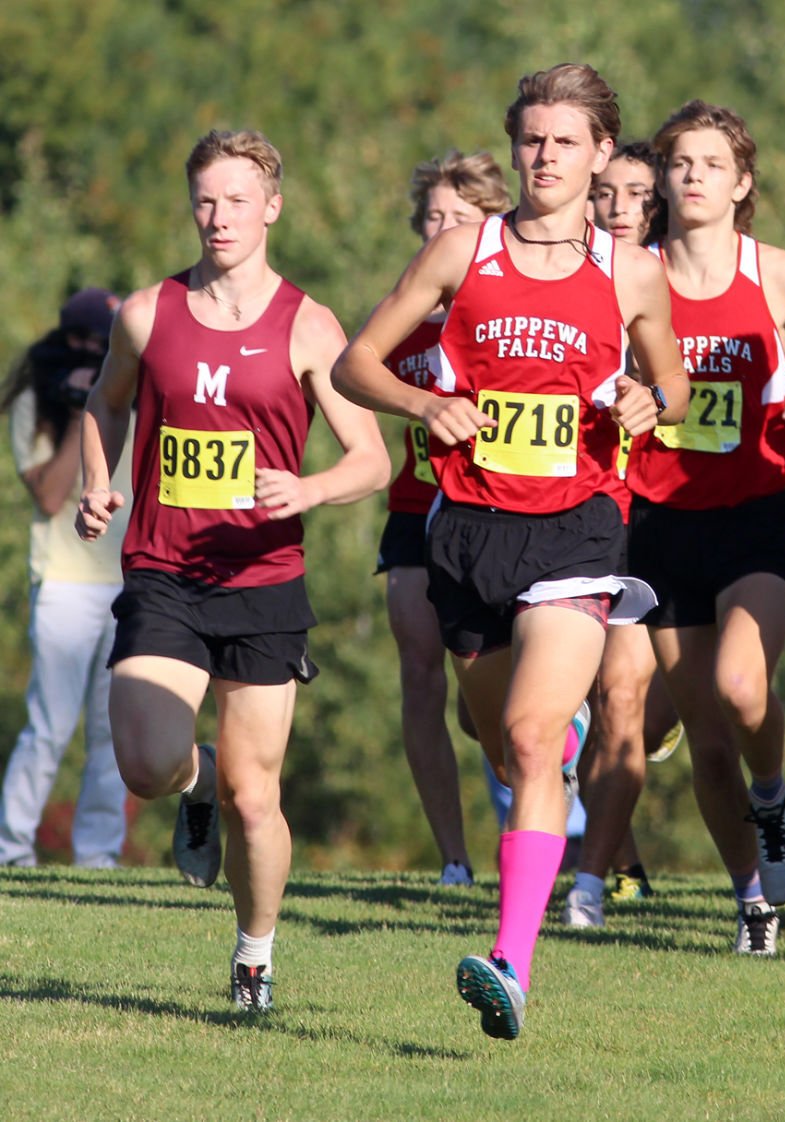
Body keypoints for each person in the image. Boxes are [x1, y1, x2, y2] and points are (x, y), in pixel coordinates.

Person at [334, 63, 686, 1039]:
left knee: (531, 740)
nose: (544, 157)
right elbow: (355, 362)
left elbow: (674, 386)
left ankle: (511, 965)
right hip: (471, 536)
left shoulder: (630, 271)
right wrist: (424, 402)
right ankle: (550, 750)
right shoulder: (462, 251)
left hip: (579, 530)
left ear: (601, 153)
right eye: (531, 139)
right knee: (496, 738)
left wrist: (648, 401)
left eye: (565, 141)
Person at [77, 129, 390, 1012]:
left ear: (272, 208)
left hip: (262, 584)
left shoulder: (309, 324)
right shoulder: (147, 311)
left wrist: (310, 487)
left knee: (260, 801)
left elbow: (372, 459)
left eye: (238, 200)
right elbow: (104, 402)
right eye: (207, 200)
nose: (220, 217)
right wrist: (99, 485)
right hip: (164, 571)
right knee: (145, 762)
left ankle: (254, 956)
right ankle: (194, 778)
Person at [626, 100, 785, 956]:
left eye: (711, 164)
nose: (692, 177)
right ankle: (752, 897)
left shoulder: (779, 275)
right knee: (706, 743)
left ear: (741, 181)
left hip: (753, 514)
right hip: (659, 522)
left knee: (744, 689)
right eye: (680, 163)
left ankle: (775, 795)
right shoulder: (628, 273)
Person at [375, 150, 512, 888]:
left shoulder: (512, 314)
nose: (441, 230)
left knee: (483, 699)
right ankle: (454, 860)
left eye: (458, 219)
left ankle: (531, 811)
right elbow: (351, 376)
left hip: (498, 514)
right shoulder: (403, 315)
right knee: (421, 673)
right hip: (413, 509)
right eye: (431, 218)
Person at [566, 139, 681, 925]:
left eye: (633, 193)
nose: (615, 206)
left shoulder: (671, 284)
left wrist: (656, 398)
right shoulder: (563, 281)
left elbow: (684, 389)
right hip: (586, 512)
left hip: (672, 515)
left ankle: (593, 878)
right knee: (599, 705)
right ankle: (612, 863)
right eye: (603, 193)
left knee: (632, 704)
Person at [0, 288, 131, 869]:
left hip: (131, 584)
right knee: (48, 729)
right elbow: (52, 494)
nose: (93, 354)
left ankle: (99, 859)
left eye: (105, 346)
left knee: (113, 737)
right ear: (63, 341)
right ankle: (11, 851)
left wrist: (109, 398)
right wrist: (87, 411)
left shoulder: (134, 393)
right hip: (63, 584)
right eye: (83, 343)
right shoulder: (36, 398)